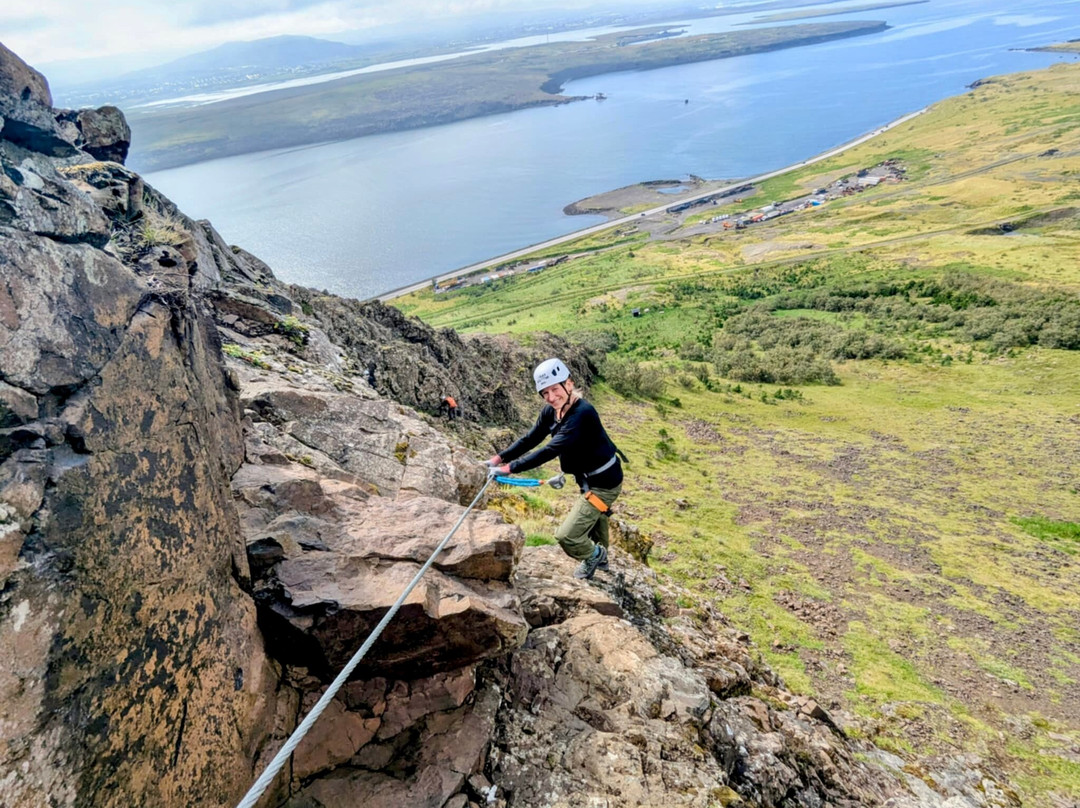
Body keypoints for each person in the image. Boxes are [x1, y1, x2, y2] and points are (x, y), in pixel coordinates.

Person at [489, 358, 624, 580]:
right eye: (545, 393)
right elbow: (531, 439)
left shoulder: (582, 413)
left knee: (567, 536)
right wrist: (499, 458)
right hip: (589, 480)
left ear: (568, 384)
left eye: (555, 389)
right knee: (596, 518)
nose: (551, 398)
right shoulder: (551, 412)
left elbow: (549, 450)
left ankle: (595, 555)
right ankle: (603, 558)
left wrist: (509, 469)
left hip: (604, 483)